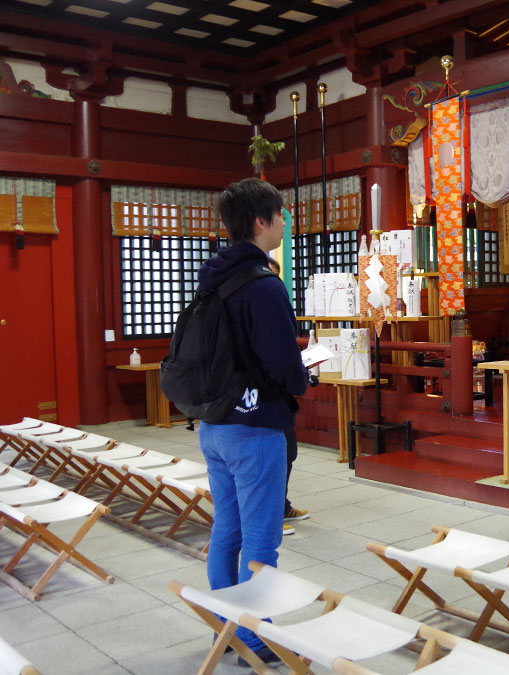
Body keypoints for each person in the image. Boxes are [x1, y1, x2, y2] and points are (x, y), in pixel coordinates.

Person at [197, 178, 308, 665]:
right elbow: (283, 361)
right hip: (255, 424)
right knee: (262, 537)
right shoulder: (263, 285)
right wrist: (303, 379)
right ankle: (256, 640)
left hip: (214, 423)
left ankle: (225, 625)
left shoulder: (215, 276)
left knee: (228, 528)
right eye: (280, 215)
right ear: (262, 222)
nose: (285, 222)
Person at [266, 255, 310, 536]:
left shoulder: (277, 308)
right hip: (261, 397)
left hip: (281, 396)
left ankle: (281, 506)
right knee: (269, 458)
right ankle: (269, 518)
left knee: (288, 453)